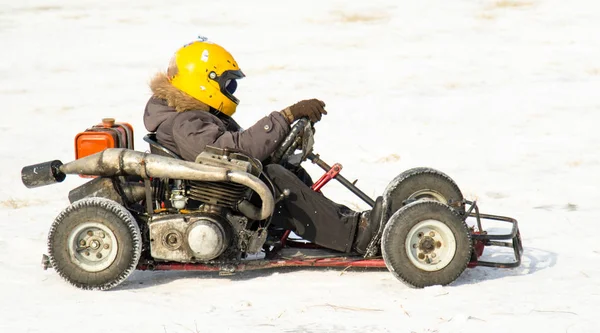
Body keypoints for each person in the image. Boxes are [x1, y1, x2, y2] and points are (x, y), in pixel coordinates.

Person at [143, 38, 377, 253]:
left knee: (285, 168)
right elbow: (234, 151)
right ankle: (354, 236)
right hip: (215, 200)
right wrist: (286, 116)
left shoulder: (192, 114)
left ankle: (344, 224)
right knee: (274, 178)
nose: (231, 91)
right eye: (229, 85)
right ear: (205, 82)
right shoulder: (186, 121)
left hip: (225, 190)